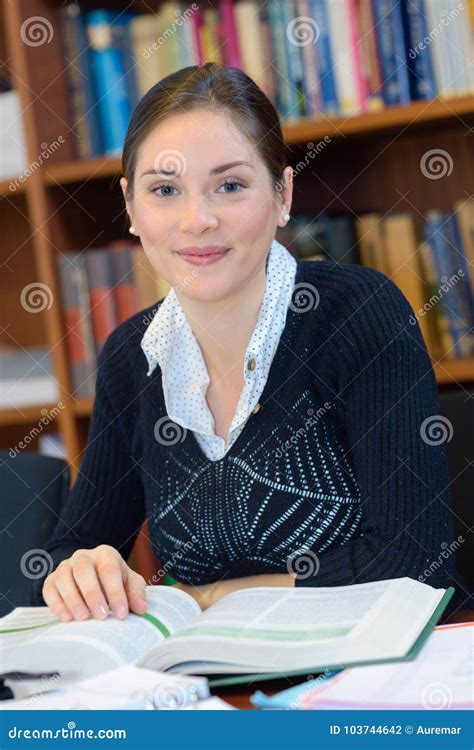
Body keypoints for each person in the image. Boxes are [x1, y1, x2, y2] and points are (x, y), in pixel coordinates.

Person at [33, 63, 466, 623]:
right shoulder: (132, 355)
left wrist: (212, 598)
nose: (197, 220)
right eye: (165, 190)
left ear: (282, 193)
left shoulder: (356, 313)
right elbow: (75, 549)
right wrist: (80, 573)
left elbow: (417, 567)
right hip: (213, 694)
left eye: (230, 185)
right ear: (132, 208)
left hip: (373, 683)